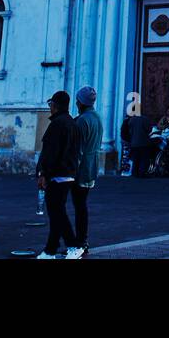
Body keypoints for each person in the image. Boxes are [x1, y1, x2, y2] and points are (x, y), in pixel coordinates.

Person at [35, 90, 83, 260]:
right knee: (57, 211)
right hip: (69, 172)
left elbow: (51, 152)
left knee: (57, 212)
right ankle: (50, 250)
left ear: (54, 105)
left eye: (50, 105)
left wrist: (43, 174)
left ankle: (73, 245)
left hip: (57, 173)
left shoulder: (57, 124)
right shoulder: (72, 123)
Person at [72, 86, 103, 255]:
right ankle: (82, 240)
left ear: (81, 102)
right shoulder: (97, 117)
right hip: (92, 166)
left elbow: (79, 149)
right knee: (81, 205)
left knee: (79, 206)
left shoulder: (82, 120)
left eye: (78, 100)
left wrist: (72, 170)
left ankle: (80, 241)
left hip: (81, 168)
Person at [125, 109, 153, 177]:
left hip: (134, 143)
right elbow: (149, 130)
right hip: (144, 143)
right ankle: (142, 173)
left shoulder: (131, 120)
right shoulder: (145, 119)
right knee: (143, 159)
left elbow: (130, 131)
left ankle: (135, 172)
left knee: (136, 159)